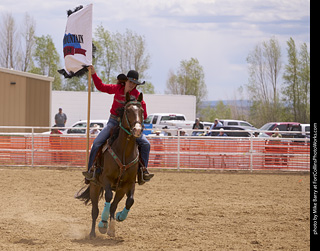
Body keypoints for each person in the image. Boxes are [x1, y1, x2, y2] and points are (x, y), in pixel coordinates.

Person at [83, 65, 154, 182]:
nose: (132, 85)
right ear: (126, 81)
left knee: (146, 144)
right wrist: (93, 74)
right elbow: (101, 86)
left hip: (130, 127)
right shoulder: (117, 89)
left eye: (134, 83)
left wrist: (138, 115)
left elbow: (144, 115)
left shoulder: (137, 96)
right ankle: (91, 170)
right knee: (96, 143)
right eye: (130, 81)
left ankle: (143, 171)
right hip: (114, 122)